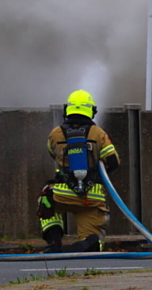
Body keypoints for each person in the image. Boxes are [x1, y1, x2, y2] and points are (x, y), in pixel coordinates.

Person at [36, 89, 120, 253]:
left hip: (62, 193)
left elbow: (53, 154)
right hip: (92, 196)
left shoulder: (56, 133)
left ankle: (54, 242)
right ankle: (85, 245)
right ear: (92, 110)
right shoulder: (98, 133)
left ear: (67, 109)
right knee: (95, 242)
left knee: (45, 201)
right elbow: (113, 161)